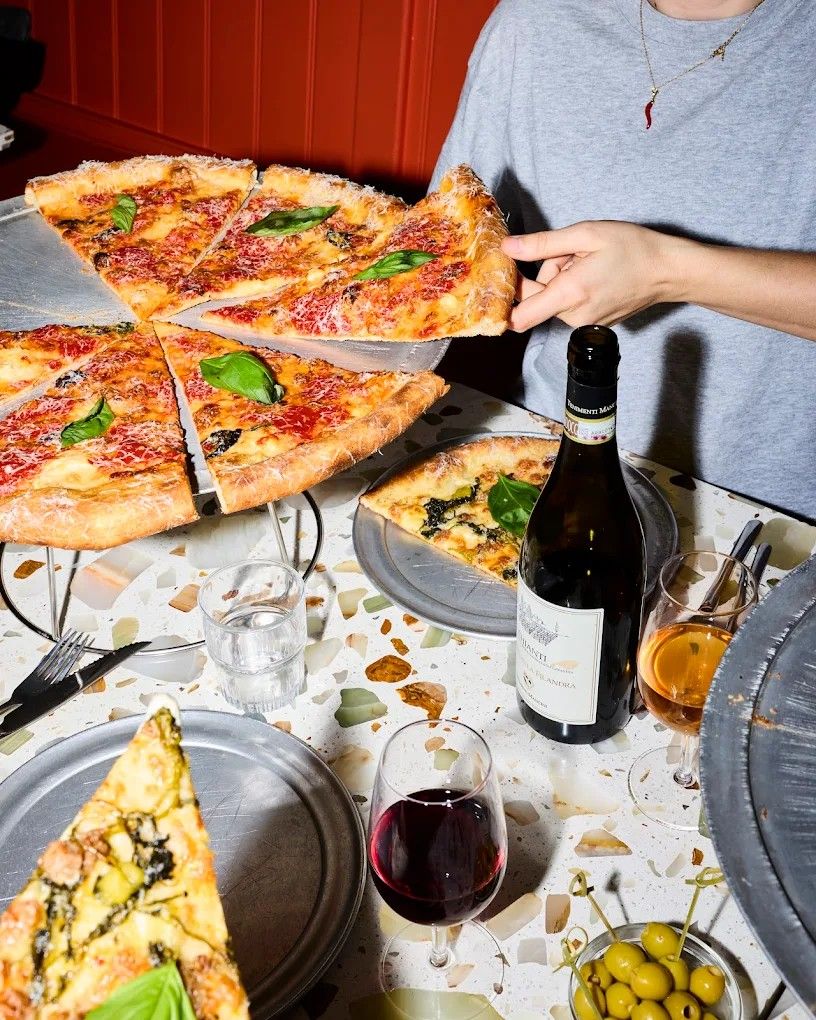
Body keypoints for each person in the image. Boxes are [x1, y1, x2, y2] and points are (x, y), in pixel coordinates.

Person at [431, 0, 816, 521]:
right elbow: (441, 252)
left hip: (778, 518)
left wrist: (668, 271)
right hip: (549, 471)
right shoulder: (532, 20)